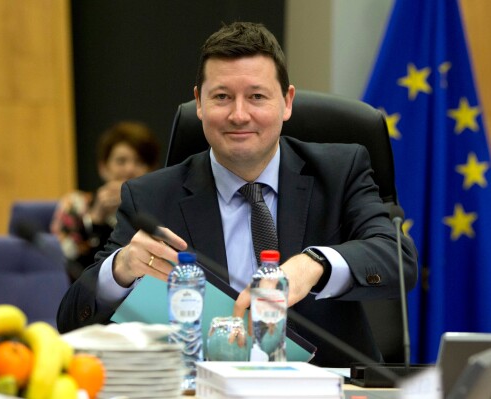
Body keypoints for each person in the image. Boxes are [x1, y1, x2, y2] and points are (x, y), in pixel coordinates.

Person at [56, 22, 418, 367]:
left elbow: (396, 259)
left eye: (257, 96)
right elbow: (72, 321)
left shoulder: (341, 171)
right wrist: (119, 271)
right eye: (222, 97)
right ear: (199, 103)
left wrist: (313, 265)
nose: (239, 115)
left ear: (287, 102)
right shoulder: (151, 197)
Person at [50, 121, 160, 282]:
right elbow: (61, 264)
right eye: (121, 161)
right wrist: (95, 218)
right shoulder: (75, 204)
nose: (130, 169)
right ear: (104, 167)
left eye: (139, 162)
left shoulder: (161, 206)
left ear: (152, 170)